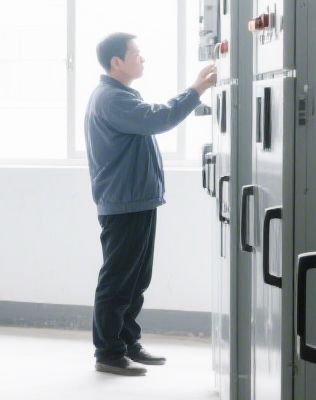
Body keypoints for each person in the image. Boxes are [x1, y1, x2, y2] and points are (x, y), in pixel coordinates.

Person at [82, 32, 216, 376]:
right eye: (136, 54)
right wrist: (195, 90)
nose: (142, 59)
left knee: (137, 280)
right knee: (117, 281)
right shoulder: (112, 98)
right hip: (124, 203)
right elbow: (159, 118)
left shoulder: (122, 95)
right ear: (116, 62)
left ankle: (127, 342)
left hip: (136, 201)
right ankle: (108, 352)